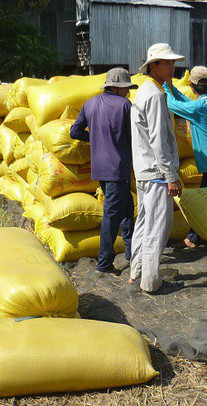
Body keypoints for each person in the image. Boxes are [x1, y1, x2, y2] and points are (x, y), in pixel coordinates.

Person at [128, 43, 185, 294]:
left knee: (144, 223)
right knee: (157, 226)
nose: (172, 67)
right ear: (154, 66)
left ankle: (137, 273)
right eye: (167, 63)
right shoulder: (155, 95)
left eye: (173, 62)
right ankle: (151, 282)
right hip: (157, 173)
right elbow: (159, 141)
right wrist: (171, 175)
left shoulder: (145, 91)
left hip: (145, 170)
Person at [70, 68, 137, 275]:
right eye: (125, 89)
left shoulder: (90, 103)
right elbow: (135, 136)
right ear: (116, 87)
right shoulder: (125, 106)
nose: (127, 93)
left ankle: (132, 253)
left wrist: (96, 137)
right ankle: (104, 262)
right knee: (111, 215)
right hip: (118, 170)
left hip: (100, 170)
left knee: (126, 211)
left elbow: (75, 131)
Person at [163, 66, 207, 248]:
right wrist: (173, 89)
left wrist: (166, 89)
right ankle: (192, 238)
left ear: (192, 87)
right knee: (204, 203)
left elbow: (173, 105)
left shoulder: (199, 107)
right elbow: (186, 103)